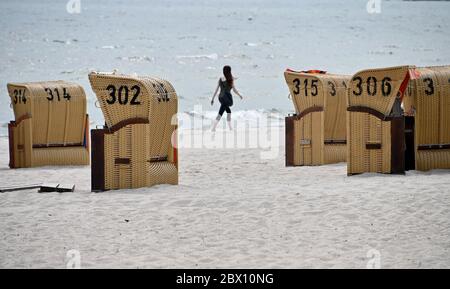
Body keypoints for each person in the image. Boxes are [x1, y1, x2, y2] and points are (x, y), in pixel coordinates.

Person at [210, 65, 243, 131]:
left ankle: (230, 128)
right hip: (227, 98)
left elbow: (216, 90)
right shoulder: (230, 79)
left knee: (228, 111)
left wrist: (213, 99)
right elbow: (234, 90)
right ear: (230, 71)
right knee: (221, 112)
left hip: (220, 97)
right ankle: (213, 127)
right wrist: (240, 95)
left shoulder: (220, 79)